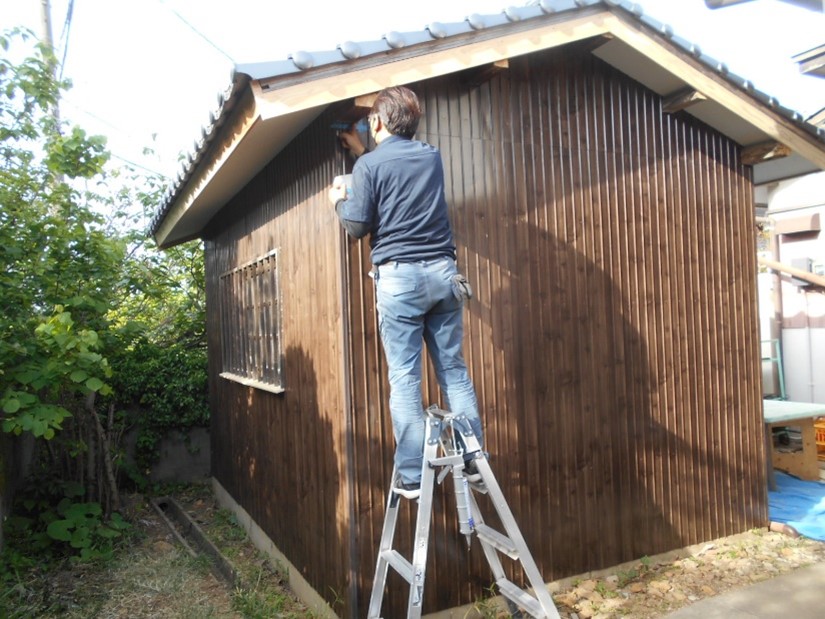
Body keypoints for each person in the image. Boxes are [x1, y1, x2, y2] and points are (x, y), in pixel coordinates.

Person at [328, 86, 484, 499]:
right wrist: (365, 152)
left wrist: (338, 200)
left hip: (401, 280)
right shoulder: (430, 156)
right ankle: (474, 460)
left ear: (377, 122)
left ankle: (412, 476)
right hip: (443, 274)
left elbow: (358, 226)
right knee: (453, 370)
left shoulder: (369, 166)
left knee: (405, 378)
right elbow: (395, 168)